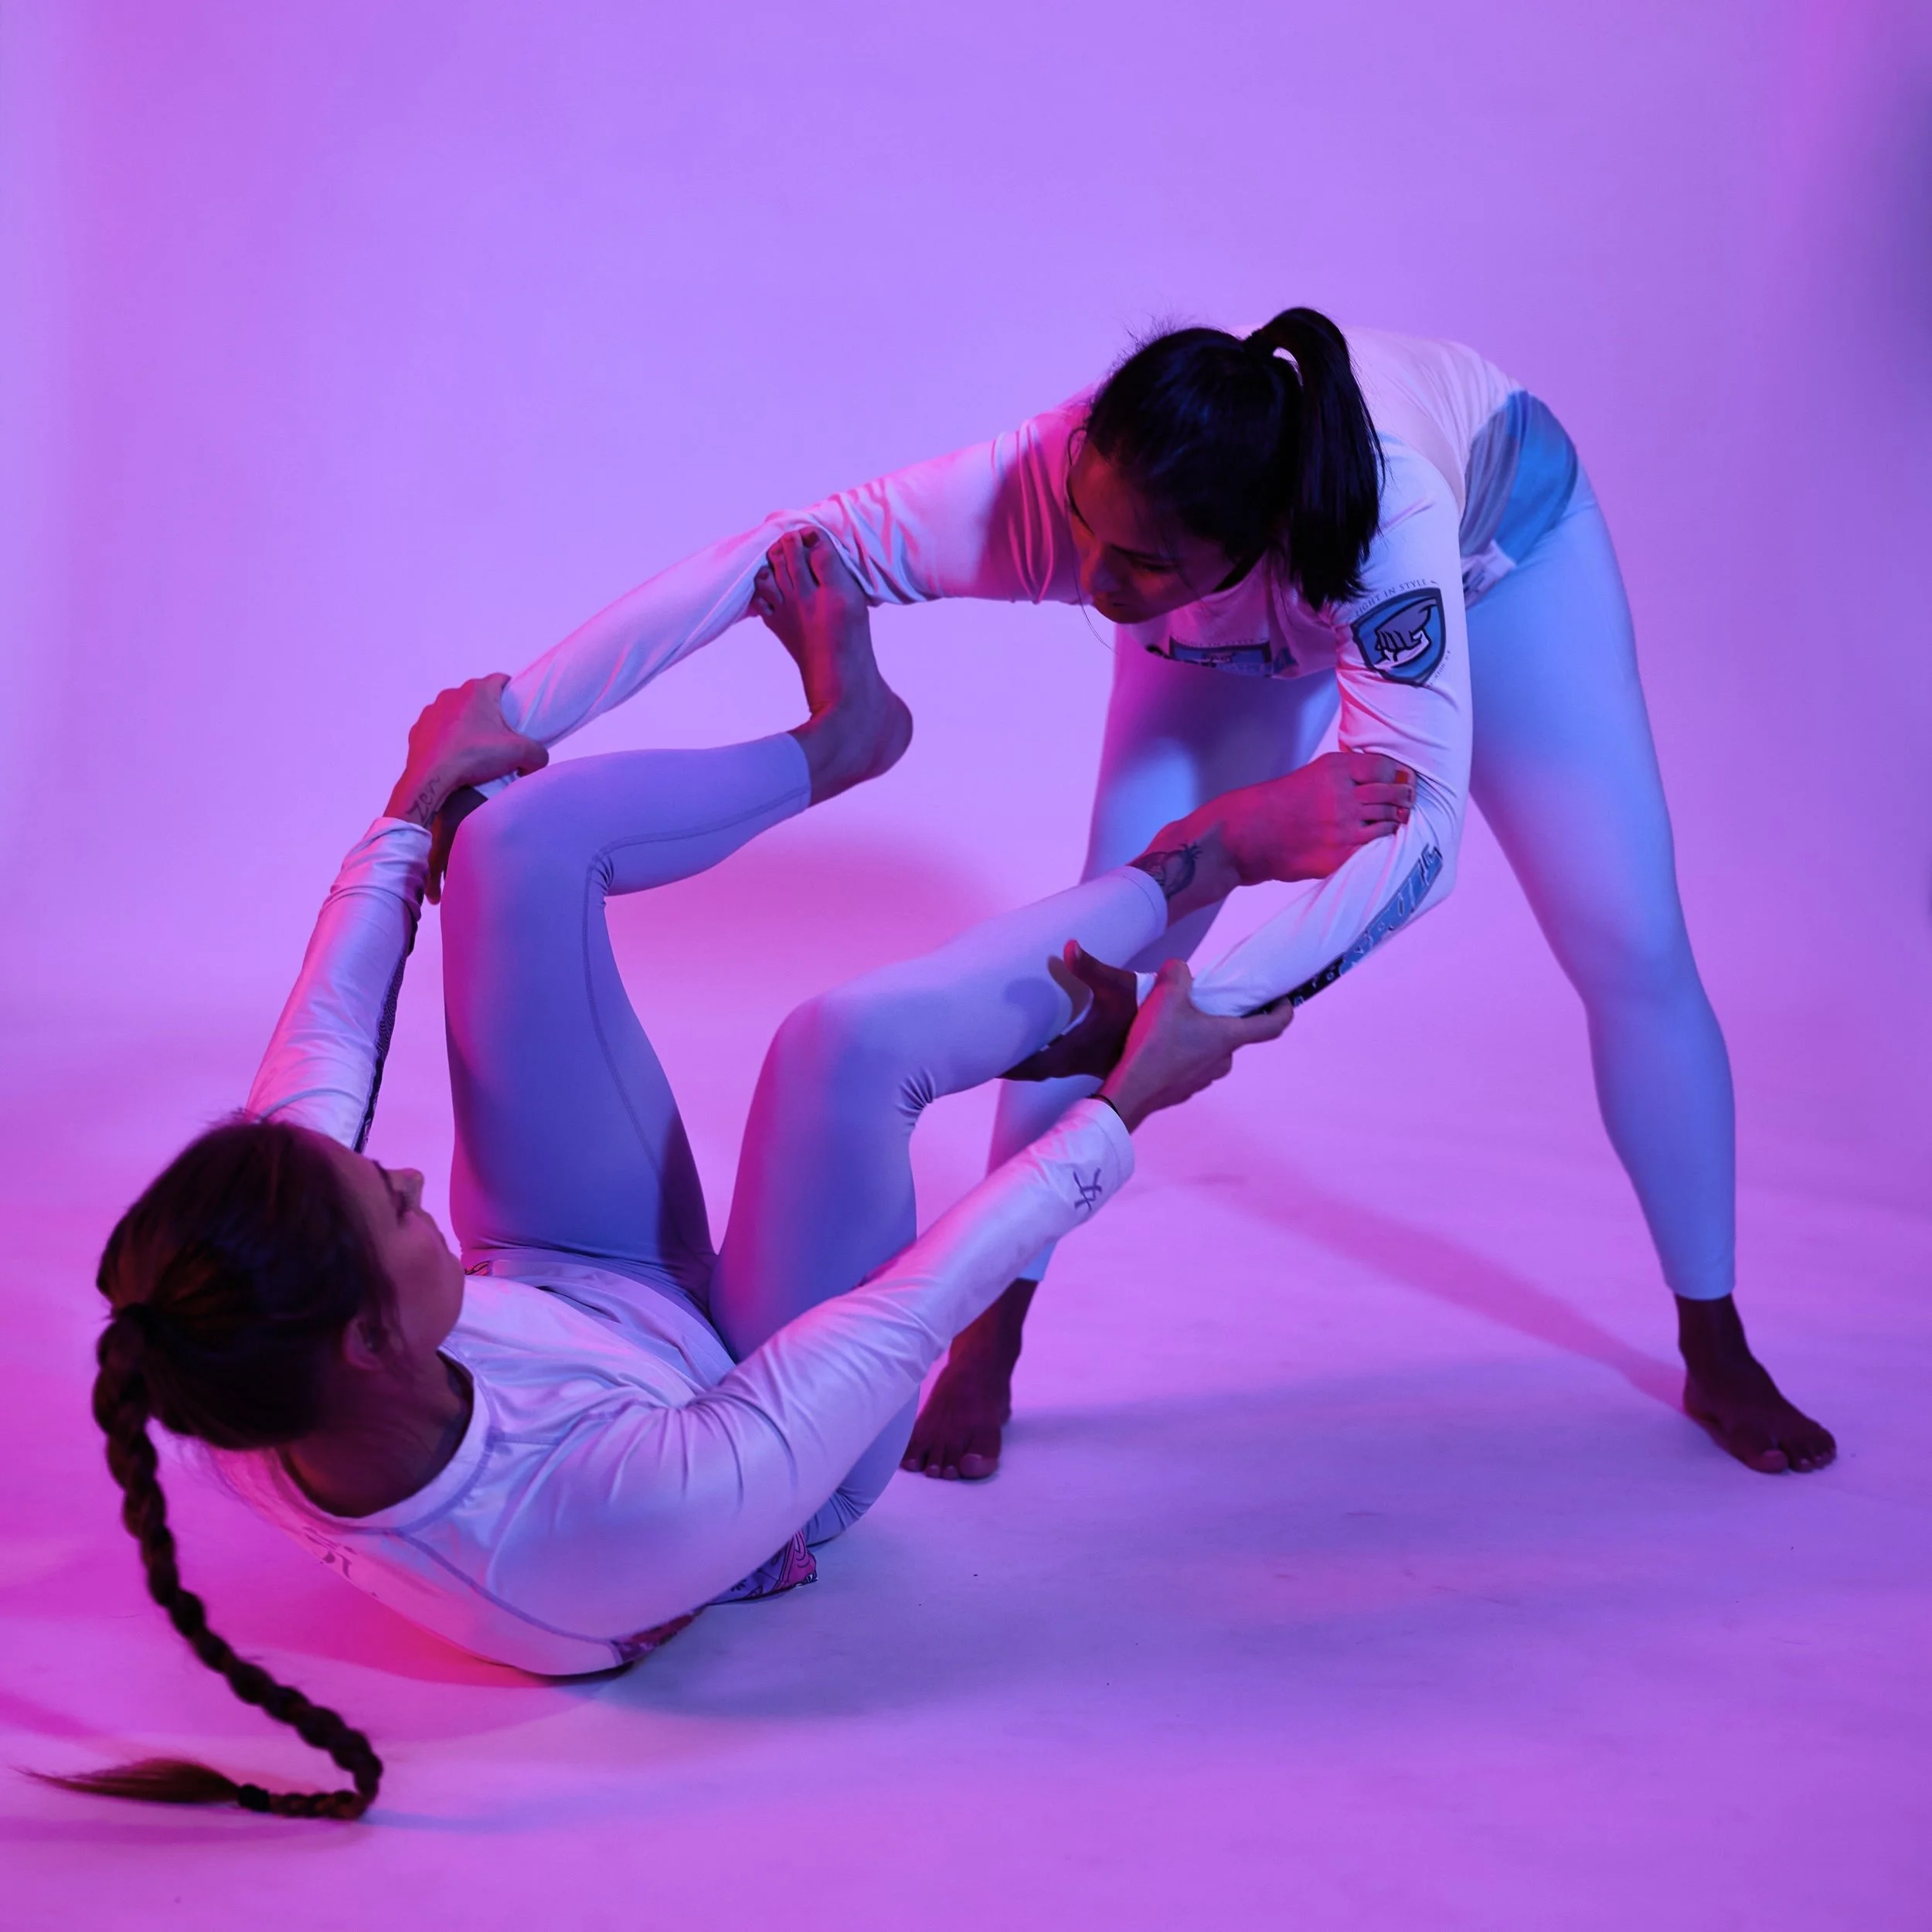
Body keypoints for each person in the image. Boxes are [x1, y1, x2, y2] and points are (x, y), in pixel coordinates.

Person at [46, 537, 1302, 1820]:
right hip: (760, 1424)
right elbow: (898, 1321)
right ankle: (1198, 867)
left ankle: (844, 738)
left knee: (508, 845)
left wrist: (410, 807)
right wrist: (1122, 1109)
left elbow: (317, 1052)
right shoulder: (579, 1532)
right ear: (369, 1338)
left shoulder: (243, 1356)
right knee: (847, 1051)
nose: (413, 1176)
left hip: (578, 1276)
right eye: (392, 1205)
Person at [468, 308, 1835, 1483]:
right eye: (1089, 540)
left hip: (1506, 558)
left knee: (1627, 939)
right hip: (1248, 615)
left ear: (1248, 545)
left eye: (1141, 569)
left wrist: (1216, 1004)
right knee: (1090, 966)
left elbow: (1417, 850)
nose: (1094, 586)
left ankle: (1714, 1338)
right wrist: (524, 713)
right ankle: (988, 1338)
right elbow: (785, 552)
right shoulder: (1079, 485)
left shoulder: (1390, 525)